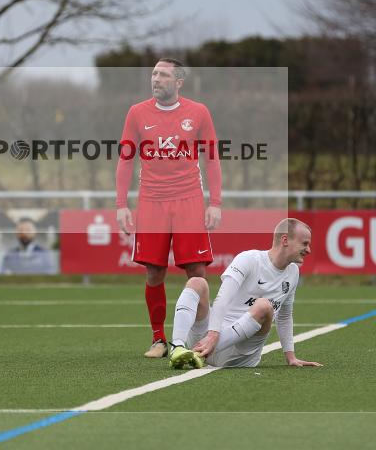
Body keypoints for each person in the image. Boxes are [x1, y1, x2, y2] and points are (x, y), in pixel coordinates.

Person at [116, 58, 222, 358]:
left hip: (189, 199)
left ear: (178, 82)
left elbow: (212, 158)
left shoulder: (198, 112)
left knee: (197, 271)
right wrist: (121, 205)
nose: (156, 79)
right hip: (151, 201)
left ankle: (202, 338)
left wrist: (215, 203)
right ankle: (159, 339)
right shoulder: (137, 113)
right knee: (154, 271)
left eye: (163, 75)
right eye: (154, 73)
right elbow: (125, 159)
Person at [167, 218, 323, 370]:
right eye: (305, 243)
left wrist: (291, 357)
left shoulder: (293, 272)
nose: (309, 249)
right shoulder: (249, 259)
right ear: (285, 240)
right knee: (197, 282)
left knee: (264, 306)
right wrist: (212, 335)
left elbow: (285, 316)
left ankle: (197, 354)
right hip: (207, 338)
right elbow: (223, 298)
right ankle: (178, 347)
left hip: (240, 356)